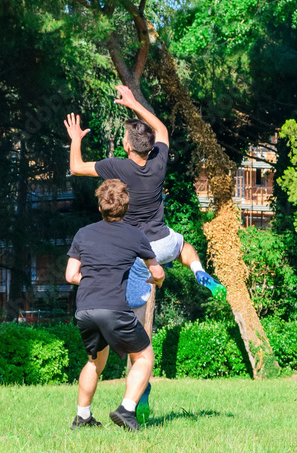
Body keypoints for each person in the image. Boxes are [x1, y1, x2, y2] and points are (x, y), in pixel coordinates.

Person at [64, 84, 226, 424]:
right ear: (151, 147)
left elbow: (77, 167)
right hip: (161, 243)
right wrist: (135, 103)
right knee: (184, 246)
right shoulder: (157, 164)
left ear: (125, 146)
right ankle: (198, 270)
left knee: (133, 337)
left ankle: (127, 402)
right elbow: (163, 130)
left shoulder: (116, 168)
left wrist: (76, 137)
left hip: (132, 253)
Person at [66, 179, 164, 431]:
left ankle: (83, 417)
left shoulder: (83, 233)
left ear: (100, 207)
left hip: (85, 309)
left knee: (93, 361)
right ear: (126, 208)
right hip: (114, 309)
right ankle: (127, 410)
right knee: (144, 356)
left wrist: (91, 280)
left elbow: (70, 275)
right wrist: (156, 279)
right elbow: (158, 271)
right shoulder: (135, 235)